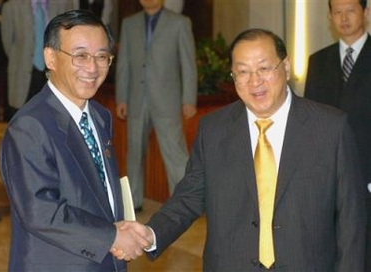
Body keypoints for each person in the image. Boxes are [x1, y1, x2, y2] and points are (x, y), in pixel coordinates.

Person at [119, 28, 367, 271]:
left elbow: (352, 221)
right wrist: (150, 234)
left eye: (264, 68)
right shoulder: (214, 130)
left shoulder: (330, 128)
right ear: (233, 77)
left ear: (286, 67)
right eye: (243, 72)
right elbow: (188, 198)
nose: (255, 81)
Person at [0, 10, 151, 271]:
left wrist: (123, 228)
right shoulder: (30, 126)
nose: (92, 68)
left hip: (104, 260)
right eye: (80, 56)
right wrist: (112, 236)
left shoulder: (101, 116)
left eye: (102, 57)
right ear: (50, 58)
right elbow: (41, 212)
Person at [304, 0, 371, 268]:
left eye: (350, 11)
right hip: (328, 177)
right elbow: (309, 123)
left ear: (365, 12)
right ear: (330, 17)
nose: (343, 18)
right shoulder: (318, 61)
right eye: (337, 12)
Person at [115, 0, 197, 211]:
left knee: (175, 154)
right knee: (134, 154)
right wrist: (121, 98)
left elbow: (188, 64)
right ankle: (133, 203)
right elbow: (123, 63)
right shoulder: (129, 24)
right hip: (136, 99)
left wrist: (189, 100)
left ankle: (183, 205)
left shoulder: (180, 23)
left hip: (167, 100)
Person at [1, 0, 75, 121]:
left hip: (53, 74)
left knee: (52, 121)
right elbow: (8, 44)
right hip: (23, 74)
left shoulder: (64, 5)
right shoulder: (11, 7)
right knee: (22, 124)